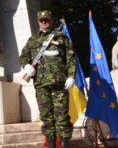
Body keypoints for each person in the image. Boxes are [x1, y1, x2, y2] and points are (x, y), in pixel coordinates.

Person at [19, 10, 76, 148]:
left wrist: (71, 76)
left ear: (51, 21)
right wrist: (27, 66)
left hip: (59, 83)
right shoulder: (33, 40)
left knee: (62, 117)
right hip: (41, 84)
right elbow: (23, 56)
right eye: (42, 20)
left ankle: (63, 144)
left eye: (47, 20)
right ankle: (51, 144)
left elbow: (70, 58)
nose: (44, 22)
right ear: (38, 21)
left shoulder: (61, 37)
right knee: (46, 117)